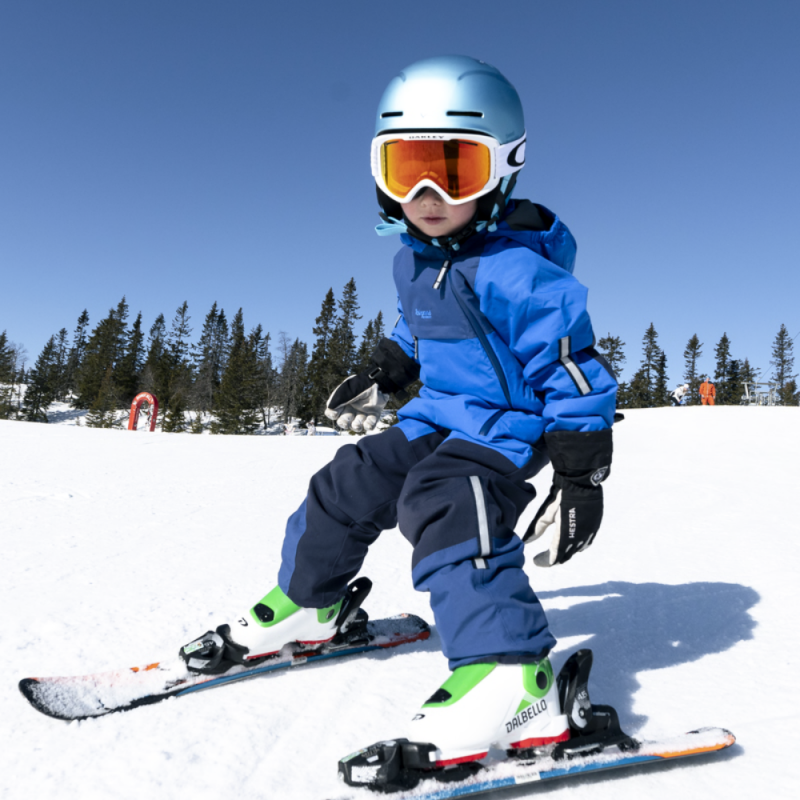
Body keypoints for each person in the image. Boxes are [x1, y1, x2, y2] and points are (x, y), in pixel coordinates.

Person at [181, 56, 617, 768]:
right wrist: (389, 368)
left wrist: (580, 470)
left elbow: (571, 366)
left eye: (455, 170)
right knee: (349, 480)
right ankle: (311, 602)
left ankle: (513, 673)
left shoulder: (521, 271)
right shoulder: (412, 261)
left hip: (510, 425)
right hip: (438, 413)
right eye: (407, 166)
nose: (427, 192)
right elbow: (422, 327)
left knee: (445, 497)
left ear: (503, 169)